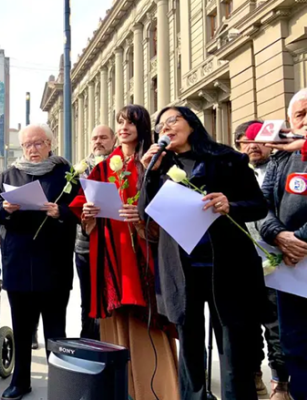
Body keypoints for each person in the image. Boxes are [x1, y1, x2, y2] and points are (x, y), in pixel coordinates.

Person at [139, 106, 267, 400]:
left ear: (192, 124)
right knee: (191, 346)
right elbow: (146, 214)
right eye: (160, 126)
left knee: (234, 347)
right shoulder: (161, 166)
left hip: (227, 265)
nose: (165, 128)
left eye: (173, 120)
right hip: (182, 268)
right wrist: (148, 174)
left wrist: (230, 204)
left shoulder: (227, 159)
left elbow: (258, 204)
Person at [70, 106, 178, 399]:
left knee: (149, 320)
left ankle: (158, 389)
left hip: (145, 255)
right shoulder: (103, 167)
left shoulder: (154, 164)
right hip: (110, 255)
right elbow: (82, 201)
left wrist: (143, 218)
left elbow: (172, 205)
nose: (124, 127)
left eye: (131, 122)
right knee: (115, 320)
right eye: (120, 122)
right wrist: (88, 212)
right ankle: (122, 389)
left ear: (142, 127)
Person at [0, 123, 78, 400]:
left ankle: (61, 384)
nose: (33, 149)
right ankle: (20, 381)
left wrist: (61, 211)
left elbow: (82, 209)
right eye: (27, 144)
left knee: (55, 330)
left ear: (50, 144)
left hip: (54, 264)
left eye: (38, 143)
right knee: (22, 327)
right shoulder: (9, 173)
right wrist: (4, 208)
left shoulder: (66, 174)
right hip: (19, 262)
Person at [235, 121, 290, 399]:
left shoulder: (280, 170)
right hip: (242, 263)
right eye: (246, 141)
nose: (253, 146)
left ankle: (280, 381)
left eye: (259, 139)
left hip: (277, 261)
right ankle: (253, 374)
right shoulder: (233, 174)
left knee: (275, 324)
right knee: (246, 325)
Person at [260, 88, 307, 400]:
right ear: (290, 120)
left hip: (298, 253)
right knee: (296, 347)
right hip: (291, 271)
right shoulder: (280, 159)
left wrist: (301, 239)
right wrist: (278, 235)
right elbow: (259, 205)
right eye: (301, 115)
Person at [72, 124, 115, 341]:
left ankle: (113, 343)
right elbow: (69, 205)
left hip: (116, 244)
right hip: (85, 246)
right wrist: (82, 213)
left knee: (113, 298)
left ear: (113, 140)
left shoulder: (120, 165)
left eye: (103, 137)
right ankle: (88, 342)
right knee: (88, 299)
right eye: (95, 138)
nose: (98, 142)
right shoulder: (80, 169)